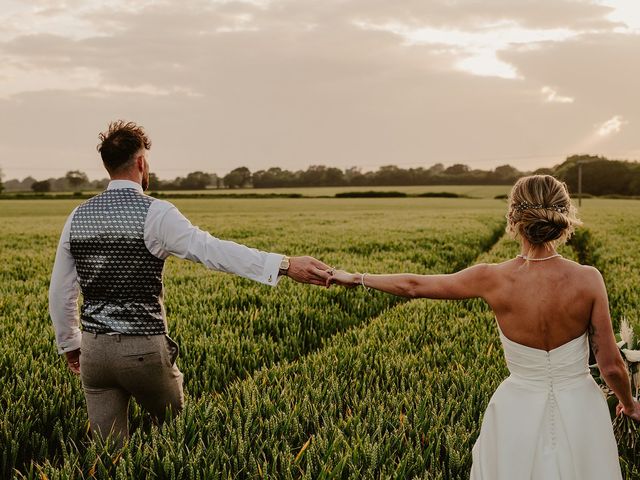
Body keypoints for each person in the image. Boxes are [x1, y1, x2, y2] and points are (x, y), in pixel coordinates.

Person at [328, 174, 640, 479]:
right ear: (565, 218)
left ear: (514, 218)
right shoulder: (588, 279)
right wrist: (629, 404)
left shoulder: (491, 278)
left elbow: (413, 285)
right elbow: (611, 366)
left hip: (516, 409)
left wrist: (358, 277)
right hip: (581, 408)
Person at [49, 120, 331, 445]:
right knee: (177, 438)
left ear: (107, 165)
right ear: (141, 162)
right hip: (142, 351)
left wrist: (71, 344)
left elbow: (60, 292)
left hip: (94, 353)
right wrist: (284, 264)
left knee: (108, 454)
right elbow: (212, 250)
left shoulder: (78, 215)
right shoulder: (156, 213)